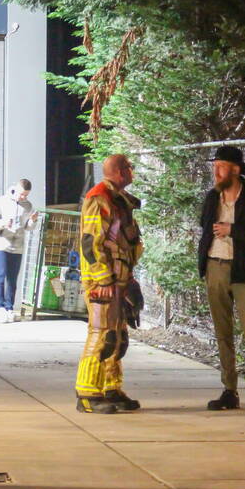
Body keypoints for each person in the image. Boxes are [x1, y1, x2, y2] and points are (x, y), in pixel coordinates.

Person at [197, 146, 245, 411]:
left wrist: (233, 230)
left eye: (221, 166)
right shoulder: (212, 198)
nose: (215, 171)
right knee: (222, 332)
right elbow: (204, 228)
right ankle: (229, 389)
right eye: (214, 166)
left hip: (243, 270)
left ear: (236, 170)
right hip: (215, 267)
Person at [74, 154, 144, 414]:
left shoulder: (117, 199)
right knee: (101, 334)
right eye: (128, 167)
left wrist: (127, 279)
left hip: (119, 280)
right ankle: (87, 393)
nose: (132, 171)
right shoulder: (99, 197)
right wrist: (102, 279)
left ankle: (111, 388)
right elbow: (91, 244)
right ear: (119, 171)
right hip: (103, 283)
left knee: (117, 336)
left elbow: (123, 243)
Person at [0, 179, 39, 323]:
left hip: (18, 246)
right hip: (1, 244)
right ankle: (0, 307)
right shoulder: (1, 201)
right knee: (1, 276)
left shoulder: (28, 206)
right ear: (16, 189)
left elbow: (27, 227)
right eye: (22, 194)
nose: (23, 198)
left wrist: (33, 220)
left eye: (26, 195)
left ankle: (9, 307)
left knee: (13, 279)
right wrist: (3, 224)